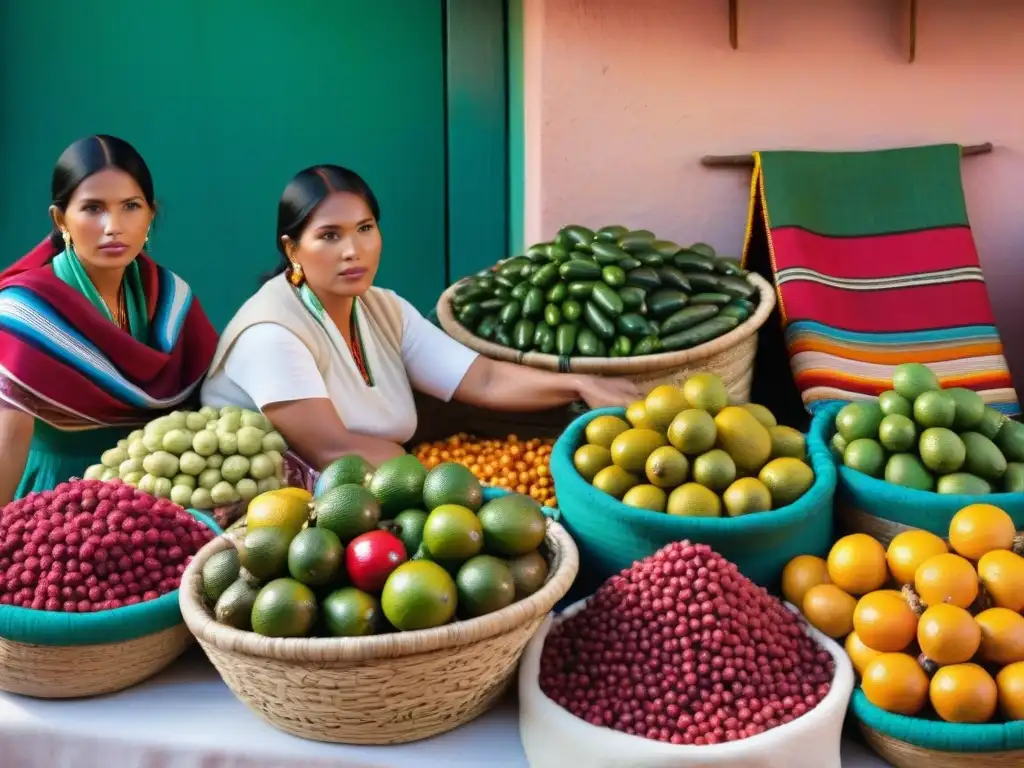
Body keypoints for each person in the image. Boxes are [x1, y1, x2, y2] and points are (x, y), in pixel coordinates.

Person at [201, 165, 640, 471]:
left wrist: (579, 384)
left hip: (374, 488)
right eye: (329, 236)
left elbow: (483, 380)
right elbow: (333, 451)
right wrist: (457, 484)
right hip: (275, 523)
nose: (353, 250)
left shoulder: (381, 307)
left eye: (365, 228)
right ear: (292, 248)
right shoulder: (271, 333)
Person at [0, 135, 219, 504]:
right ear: (60, 219)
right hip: (54, 502)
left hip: (154, 497)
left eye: (130, 206)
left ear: (151, 214)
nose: (113, 226)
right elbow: (8, 440)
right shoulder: (26, 312)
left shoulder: (171, 298)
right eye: (93, 208)